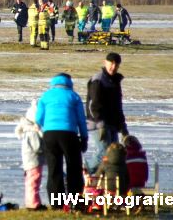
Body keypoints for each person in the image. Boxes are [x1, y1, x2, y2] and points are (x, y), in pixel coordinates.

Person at [35, 73, 88, 209]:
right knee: (73, 168)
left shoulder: (46, 96)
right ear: (69, 82)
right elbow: (81, 120)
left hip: (50, 135)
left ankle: (57, 204)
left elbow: (38, 119)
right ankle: (74, 202)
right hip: (69, 134)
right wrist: (84, 137)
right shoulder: (73, 96)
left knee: (54, 169)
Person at [85, 52, 129, 174]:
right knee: (104, 152)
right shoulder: (98, 80)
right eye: (111, 63)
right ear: (105, 63)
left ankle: (106, 181)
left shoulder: (115, 82)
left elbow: (118, 107)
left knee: (114, 155)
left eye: (116, 65)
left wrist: (123, 128)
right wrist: (101, 124)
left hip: (112, 125)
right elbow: (93, 106)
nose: (113, 67)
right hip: (97, 124)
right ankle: (80, 174)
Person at [15, 99, 45, 210]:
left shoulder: (28, 130)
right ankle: (33, 204)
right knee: (33, 181)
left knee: (31, 182)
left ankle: (31, 202)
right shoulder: (33, 132)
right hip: (34, 160)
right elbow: (37, 147)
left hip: (30, 160)